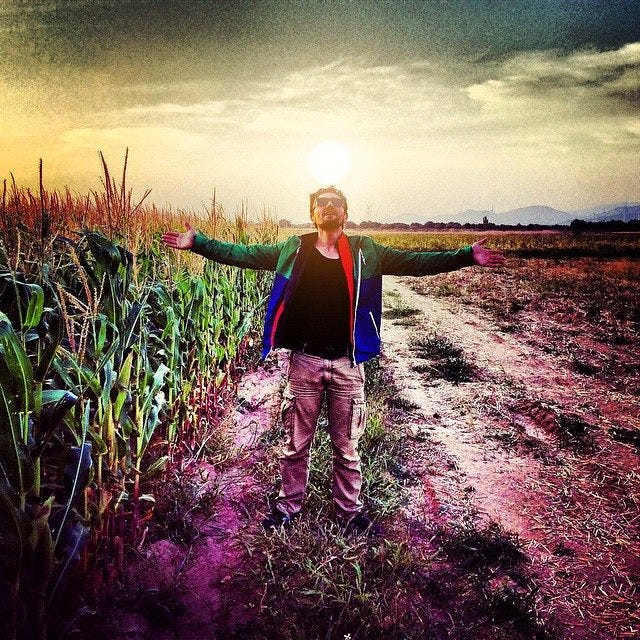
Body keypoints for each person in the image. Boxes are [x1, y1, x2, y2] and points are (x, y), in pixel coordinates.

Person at [161, 186, 504, 535]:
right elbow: (242, 253)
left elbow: (415, 262)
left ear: (345, 213)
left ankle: (348, 512)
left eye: (335, 203)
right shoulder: (293, 250)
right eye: (321, 203)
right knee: (296, 445)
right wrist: (199, 242)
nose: (328, 207)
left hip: (347, 364)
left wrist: (465, 255)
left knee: (346, 446)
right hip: (304, 362)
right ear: (312, 213)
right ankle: (288, 508)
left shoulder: (365, 251)